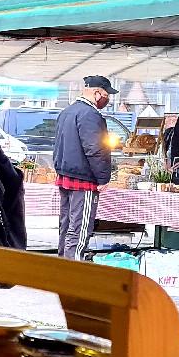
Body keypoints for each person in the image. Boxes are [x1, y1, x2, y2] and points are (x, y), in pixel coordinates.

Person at [53, 76, 117, 259]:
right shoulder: (90, 115)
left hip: (65, 176)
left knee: (65, 226)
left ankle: (61, 269)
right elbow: (95, 149)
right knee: (79, 229)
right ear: (97, 93)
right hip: (84, 179)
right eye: (106, 95)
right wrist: (103, 178)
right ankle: (73, 273)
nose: (107, 99)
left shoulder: (67, 112)